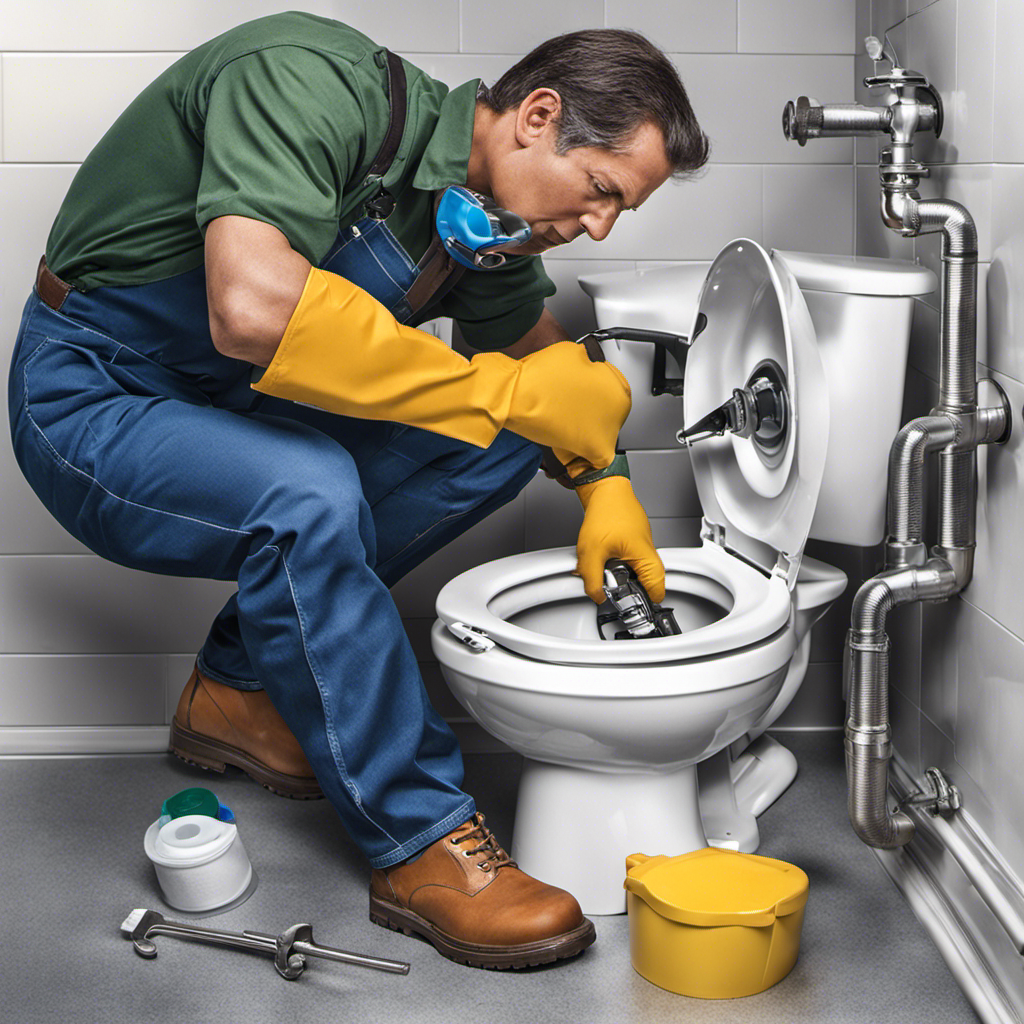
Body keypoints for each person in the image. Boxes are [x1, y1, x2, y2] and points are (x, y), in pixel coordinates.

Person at [7, 12, 709, 968]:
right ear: (537, 115)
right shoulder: (305, 79)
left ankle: (237, 692)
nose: (598, 225)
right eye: (600, 191)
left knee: (501, 437)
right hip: (95, 394)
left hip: (231, 406)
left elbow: (550, 375)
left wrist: (609, 485)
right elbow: (251, 306)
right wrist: (500, 387)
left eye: (619, 211)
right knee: (310, 487)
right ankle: (421, 843)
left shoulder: (480, 221)